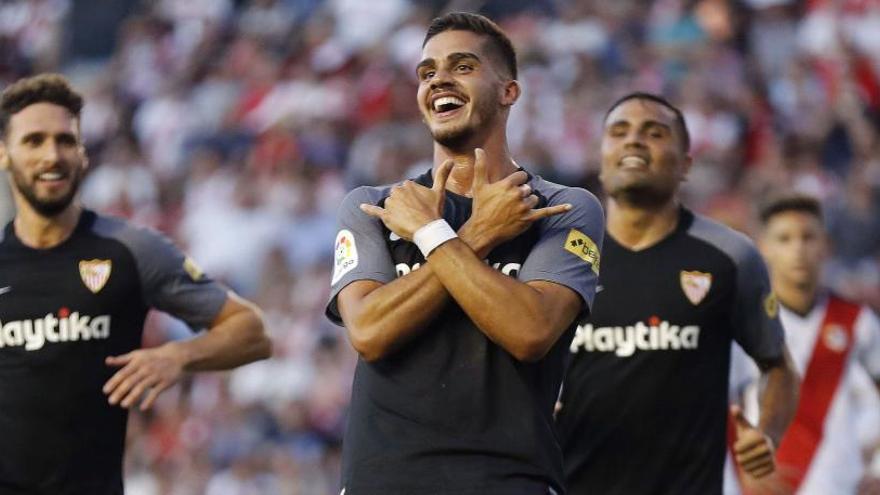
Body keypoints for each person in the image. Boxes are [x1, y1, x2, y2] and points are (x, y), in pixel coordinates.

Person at [325, 12, 604, 495]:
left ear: (509, 91)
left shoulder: (561, 208)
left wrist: (431, 236)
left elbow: (530, 331)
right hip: (384, 480)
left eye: (462, 66)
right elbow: (368, 332)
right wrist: (471, 236)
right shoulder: (376, 206)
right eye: (427, 72)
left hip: (509, 480)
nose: (439, 81)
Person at [0, 73, 272, 494]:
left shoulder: (130, 249)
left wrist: (178, 356)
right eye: (33, 141)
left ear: (83, 153)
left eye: (65, 140)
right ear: (4, 153)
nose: (51, 155)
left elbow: (252, 332)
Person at [555, 92, 800, 494]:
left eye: (654, 132)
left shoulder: (730, 256)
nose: (634, 141)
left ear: (686, 164)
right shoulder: (560, 256)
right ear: (601, 158)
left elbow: (779, 367)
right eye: (619, 132)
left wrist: (768, 433)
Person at [726, 194, 880, 495]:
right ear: (763, 249)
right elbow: (713, 406)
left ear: (826, 245)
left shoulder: (857, 321)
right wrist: (738, 469)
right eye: (784, 239)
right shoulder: (739, 324)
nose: (798, 249)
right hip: (765, 486)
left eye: (808, 237)